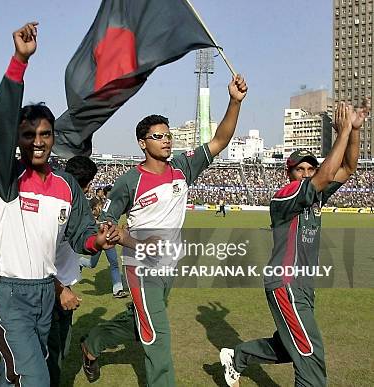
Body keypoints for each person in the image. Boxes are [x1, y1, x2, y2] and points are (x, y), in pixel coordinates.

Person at [81, 73, 248, 387]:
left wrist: (234, 102)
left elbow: (220, 140)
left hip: (169, 265)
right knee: (158, 336)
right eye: (158, 136)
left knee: (142, 322)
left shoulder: (183, 167)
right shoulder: (131, 180)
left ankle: (93, 342)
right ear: (143, 143)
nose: (167, 140)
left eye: (168, 135)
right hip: (141, 266)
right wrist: (134, 240)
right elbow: (107, 223)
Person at [0, 22, 119, 387]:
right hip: (8, 290)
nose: (38, 141)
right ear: (18, 139)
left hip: (46, 290)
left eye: (45, 134)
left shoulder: (66, 185)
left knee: (15, 372)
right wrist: (19, 61)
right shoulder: (8, 177)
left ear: (54, 137)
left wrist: (99, 242)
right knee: (35, 377)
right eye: (28, 135)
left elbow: (81, 235)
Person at [220, 98, 370, 387]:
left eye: (309, 169)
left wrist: (354, 131)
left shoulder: (316, 195)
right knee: (310, 353)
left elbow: (349, 168)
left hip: (303, 286)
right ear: (288, 174)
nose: (305, 173)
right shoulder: (284, 196)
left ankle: (237, 357)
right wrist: (341, 132)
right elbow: (327, 174)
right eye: (298, 169)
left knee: (291, 345)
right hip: (285, 283)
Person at [47, 155, 97, 387]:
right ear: (87, 185)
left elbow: (87, 241)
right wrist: (60, 289)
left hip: (65, 289)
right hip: (50, 289)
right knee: (50, 354)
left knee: (58, 351)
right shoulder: (56, 206)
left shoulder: (74, 208)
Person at [80, 185, 127, 298]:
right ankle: (80, 262)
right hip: (98, 236)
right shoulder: (96, 202)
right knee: (92, 264)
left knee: (114, 263)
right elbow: (87, 215)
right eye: (110, 193)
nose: (112, 194)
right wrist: (96, 222)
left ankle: (117, 289)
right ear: (105, 194)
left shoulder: (111, 204)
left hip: (108, 236)